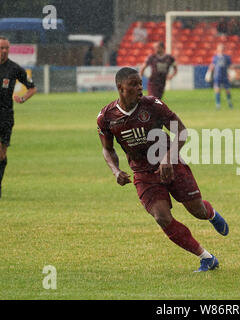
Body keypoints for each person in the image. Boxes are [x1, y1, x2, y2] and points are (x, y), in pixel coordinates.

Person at [97, 67, 229, 272]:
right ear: (120, 87)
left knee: (197, 211)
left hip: (172, 164)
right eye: (133, 84)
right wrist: (115, 171)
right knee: (162, 217)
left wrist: (168, 158)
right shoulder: (107, 116)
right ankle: (207, 258)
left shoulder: (153, 105)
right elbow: (107, 149)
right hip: (143, 173)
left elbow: (182, 132)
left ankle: (210, 214)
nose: (139, 87)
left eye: (140, 83)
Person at [0, 37, 36, 198]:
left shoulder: (14, 69)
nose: (4, 51)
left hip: (5, 115)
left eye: (7, 48)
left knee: (1, 154)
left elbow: (32, 88)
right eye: (2, 48)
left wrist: (23, 98)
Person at [207, 43, 233, 110]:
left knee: (227, 90)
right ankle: (218, 105)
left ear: (224, 49)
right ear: (217, 49)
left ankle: (229, 102)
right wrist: (209, 73)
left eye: (222, 48)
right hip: (217, 76)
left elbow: (230, 67)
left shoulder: (227, 57)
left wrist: (231, 74)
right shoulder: (215, 57)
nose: (221, 50)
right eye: (220, 48)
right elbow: (212, 65)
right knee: (217, 90)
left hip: (225, 76)